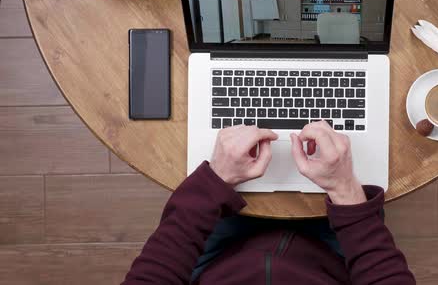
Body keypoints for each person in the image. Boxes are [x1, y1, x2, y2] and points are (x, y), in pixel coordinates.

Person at [122, 121, 415, 285]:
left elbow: (153, 275)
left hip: (219, 254)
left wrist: (216, 179)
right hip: (332, 258)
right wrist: (345, 189)